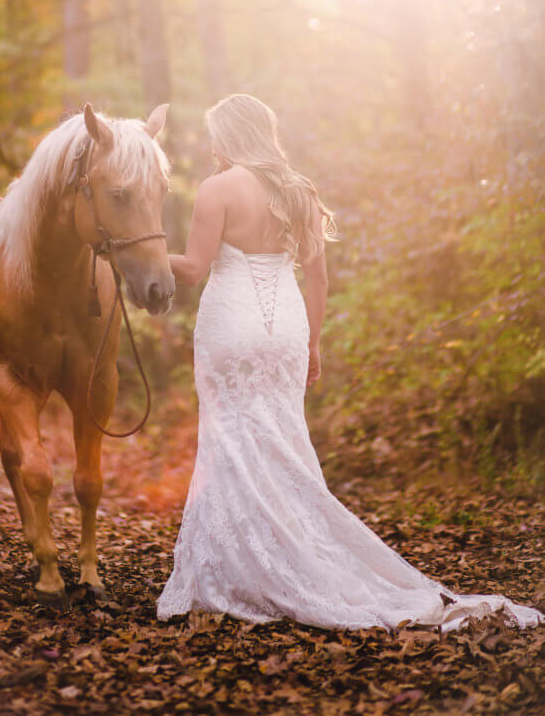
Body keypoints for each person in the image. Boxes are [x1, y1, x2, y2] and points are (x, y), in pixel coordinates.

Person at [156, 94, 542, 632]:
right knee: (282, 439)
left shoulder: (217, 189)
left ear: (228, 135)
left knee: (230, 439)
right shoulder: (299, 192)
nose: (213, 144)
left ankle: (242, 570)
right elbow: (318, 278)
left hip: (230, 328)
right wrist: (313, 344)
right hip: (287, 330)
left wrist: (136, 254)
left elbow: (193, 269)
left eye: (215, 134)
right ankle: (291, 552)